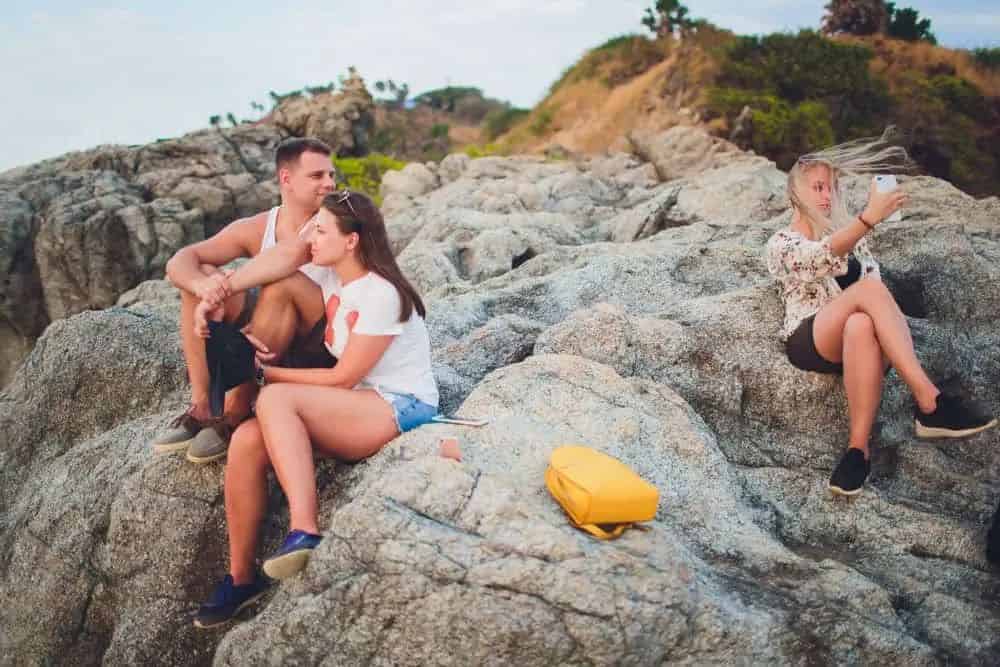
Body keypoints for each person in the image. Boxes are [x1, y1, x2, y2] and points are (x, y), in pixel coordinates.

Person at [192, 190, 439, 628]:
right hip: (358, 403)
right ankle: (241, 577)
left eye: (321, 231)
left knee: (273, 399)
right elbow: (282, 260)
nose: (311, 239)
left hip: (400, 406)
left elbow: (342, 378)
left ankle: (304, 529)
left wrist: (267, 375)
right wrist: (217, 293)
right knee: (248, 438)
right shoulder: (331, 280)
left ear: (352, 241)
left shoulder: (381, 295)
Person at [765, 135, 996, 497]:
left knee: (862, 321)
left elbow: (871, 292)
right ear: (796, 193)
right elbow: (819, 257)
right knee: (870, 290)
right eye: (818, 187)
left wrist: (860, 234)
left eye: (832, 188)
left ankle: (857, 451)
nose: (827, 196)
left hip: (859, 343)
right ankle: (928, 401)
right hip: (812, 338)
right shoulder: (781, 243)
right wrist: (868, 219)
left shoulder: (854, 241)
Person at [151, 137, 337, 463]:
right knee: (203, 277)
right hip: (273, 334)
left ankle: (237, 408)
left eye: (331, 175)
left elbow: (289, 256)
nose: (330, 183)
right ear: (286, 179)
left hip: (321, 345)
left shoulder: (335, 217)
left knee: (282, 283)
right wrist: (204, 286)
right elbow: (181, 259)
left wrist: (222, 289)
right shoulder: (258, 226)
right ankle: (205, 405)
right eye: (317, 176)